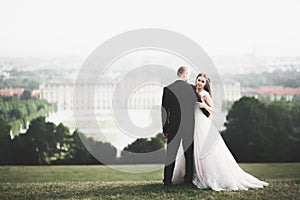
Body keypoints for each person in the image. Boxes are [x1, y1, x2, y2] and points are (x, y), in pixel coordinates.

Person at [172, 73, 269, 191]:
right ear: (196, 80)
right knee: (189, 151)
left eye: (203, 81)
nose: (200, 83)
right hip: (190, 123)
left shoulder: (205, 94)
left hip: (201, 123)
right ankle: (189, 176)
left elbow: (214, 110)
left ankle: (203, 175)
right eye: (199, 80)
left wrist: (204, 106)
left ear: (205, 84)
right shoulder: (191, 90)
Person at [161, 66, 198, 186]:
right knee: (189, 154)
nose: (189, 78)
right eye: (188, 75)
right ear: (185, 74)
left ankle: (167, 180)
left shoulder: (168, 89)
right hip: (189, 126)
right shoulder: (192, 88)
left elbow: (164, 111)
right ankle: (188, 180)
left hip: (173, 127)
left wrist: (165, 129)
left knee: (170, 155)